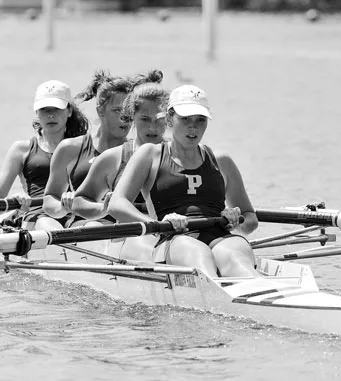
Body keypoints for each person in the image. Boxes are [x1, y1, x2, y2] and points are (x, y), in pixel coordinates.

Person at [108, 85, 260, 278]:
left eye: (200, 120)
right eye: (185, 119)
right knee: (200, 260)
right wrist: (155, 223)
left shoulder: (222, 160)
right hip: (174, 238)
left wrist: (235, 223)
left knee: (238, 260)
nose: (193, 127)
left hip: (219, 235)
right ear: (170, 119)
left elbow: (250, 217)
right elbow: (116, 204)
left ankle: (258, 291)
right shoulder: (150, 155)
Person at [40, 70, 160, 228]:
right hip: (84, 225)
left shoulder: (137, 152)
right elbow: (49, 199)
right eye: (117, 110)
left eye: (129, 111)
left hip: (124, 229)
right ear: (100, 110)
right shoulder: (70, 148)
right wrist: (64, 206)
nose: (125, 117)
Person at [64, 81, 169, 259]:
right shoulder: (113, 158)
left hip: (171, 234)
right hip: (130, 238)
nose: (153, 127)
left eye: (159, 119)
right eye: (145, 119)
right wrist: (103, 209)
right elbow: (79, 201)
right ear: (132, 117)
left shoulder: (180, 156)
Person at [0, 79, 89, 227]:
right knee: (48, 225)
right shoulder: (21, 149)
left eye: (56, 109)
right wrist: (14, 198)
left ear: (69, 111)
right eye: (44, 109)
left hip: (76, 215)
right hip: (37, 216)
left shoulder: (84, 147)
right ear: (37, 112)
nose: (50, 115)